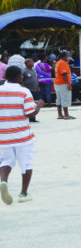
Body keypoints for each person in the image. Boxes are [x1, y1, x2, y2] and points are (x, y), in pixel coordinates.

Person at [0, 66, 41, 204]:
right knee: (26, 164)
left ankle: (4, 181)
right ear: (18, 76)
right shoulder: (24, 92)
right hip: (22, 135)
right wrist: (39, 105)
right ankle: (23, 193)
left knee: (6, 162)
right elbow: (30, 113)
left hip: (3, 136)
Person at [54, 51, 74, 120]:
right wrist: (69, 84)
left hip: (57, 83)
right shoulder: (63, 63)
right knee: (65, 98)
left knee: (58, 99)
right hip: (63, 83)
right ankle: (66, 115)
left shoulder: (58, 63)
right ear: (65, 56)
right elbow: (64, 74)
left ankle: (60, 114)